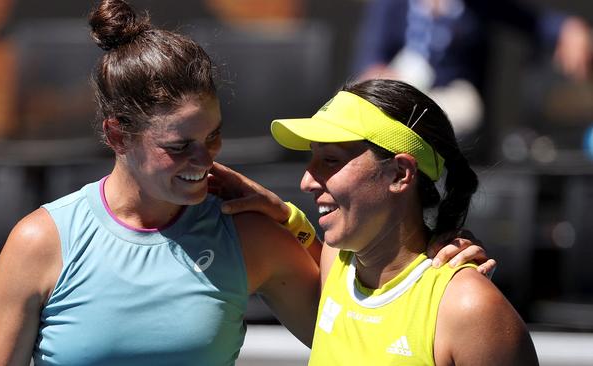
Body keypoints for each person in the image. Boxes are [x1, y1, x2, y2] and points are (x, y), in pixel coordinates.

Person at [0, 1, 492, 365]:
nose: (204, 160)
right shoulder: (39, 243)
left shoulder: (250, 237)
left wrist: (435, 261)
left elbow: (361, 323)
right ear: (117, 135)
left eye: (214, 137)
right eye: (179, 147)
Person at [214, 79, 536, 365]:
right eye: (311, 158)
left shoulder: (470, 308)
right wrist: (285, 216)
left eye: (330, 160)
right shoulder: (335, 262)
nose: (306, 181)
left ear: (399, 174)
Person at [352, 0, 592, 140]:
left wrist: (568, 28)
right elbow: (371, 57)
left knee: (462, 109)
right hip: (398, 95)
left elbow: (534, 22)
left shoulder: (476, 5)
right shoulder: (392, 5)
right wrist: (380, 77)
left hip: (451, 102)